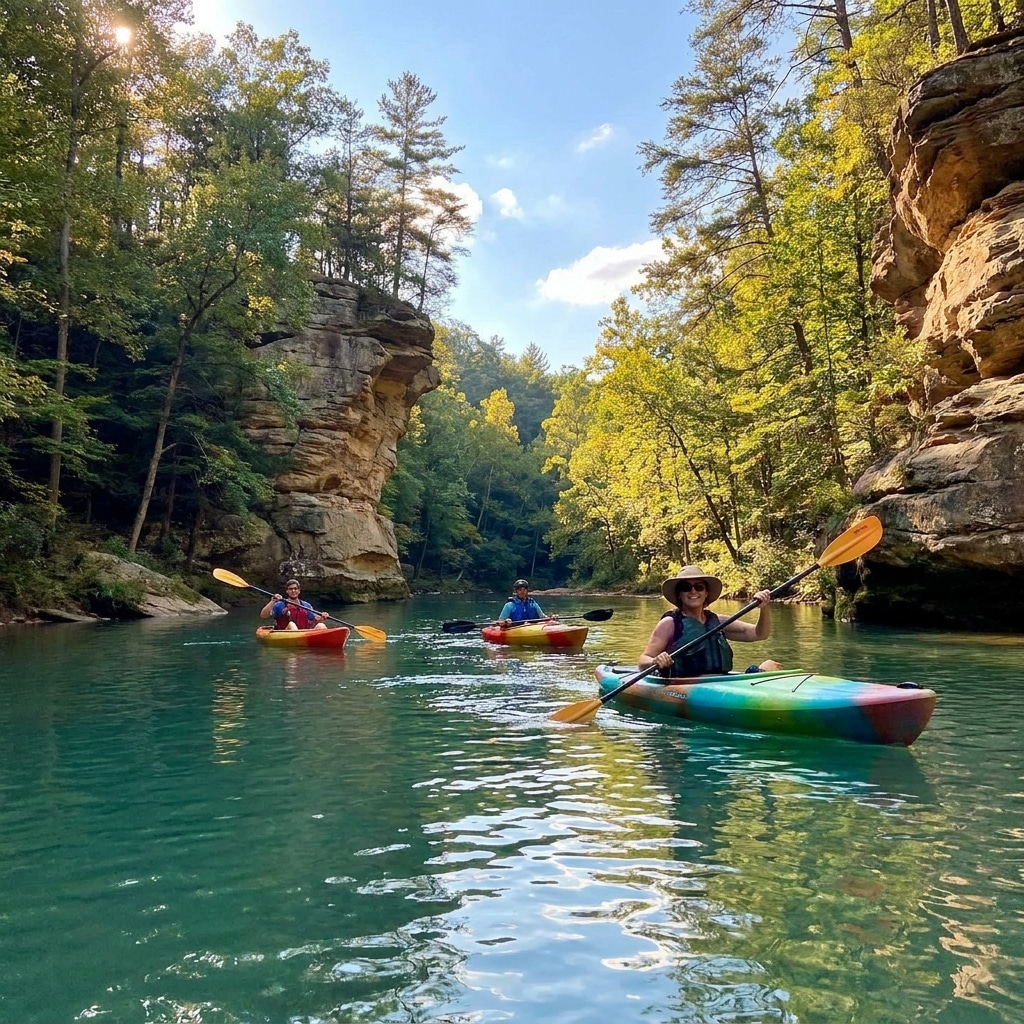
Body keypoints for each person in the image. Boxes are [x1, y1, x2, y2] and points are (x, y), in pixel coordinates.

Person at [638, 565, 782, 677]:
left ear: (706, 593)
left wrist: (764, 608)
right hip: (683, 686)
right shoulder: (669, 623)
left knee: (770, 665)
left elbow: (759, 634)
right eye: (686, 587)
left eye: (699, 587)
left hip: (720, 682)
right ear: (679, 595)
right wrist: (654, 661)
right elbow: (643, 661)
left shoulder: (719, 622)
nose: (693, 591)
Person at [260, 578, 329, 631]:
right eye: (290, 589)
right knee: (291, 624)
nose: (293, 591)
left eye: (295, 589)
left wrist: (322, 617)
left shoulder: (306, 605)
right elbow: (263, 616)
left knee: (321, 625)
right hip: (286, 632)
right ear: (287, 591)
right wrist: (273, 601)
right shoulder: (280, 605)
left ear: (299, 591)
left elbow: (316, 619)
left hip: (303, 632)